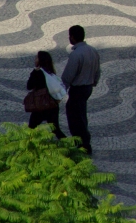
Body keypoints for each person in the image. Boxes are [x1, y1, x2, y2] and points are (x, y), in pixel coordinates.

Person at [60, 24, 100, 155]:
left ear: (72, 37)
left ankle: (82, 143)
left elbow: (68, 75)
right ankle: (83, 141)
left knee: (75, 117)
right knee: (81, 114)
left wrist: (61, 90)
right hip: (88, 87)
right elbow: (97, 70)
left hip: (78, 89)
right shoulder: (92, 50)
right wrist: (94, 81)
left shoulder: (76, 54)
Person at [26, 51, 66, 139]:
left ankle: (29, 148)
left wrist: (33, 73)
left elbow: (29, 86)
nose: (35, 59)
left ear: (40, 60)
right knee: (55, 129)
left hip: (40, 105)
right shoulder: (51, 72)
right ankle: (70, 145)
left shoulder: (38, 72)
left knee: (31, 128)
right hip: (52, 104)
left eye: (36, 58)